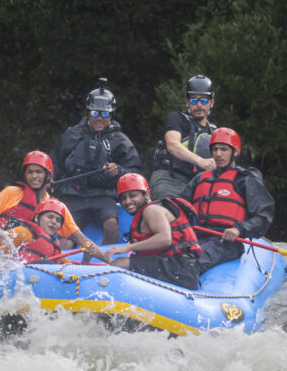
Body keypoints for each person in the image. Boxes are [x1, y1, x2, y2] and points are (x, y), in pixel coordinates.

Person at [53, 78, 141, 244]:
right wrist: (50, 180)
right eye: (95, 113)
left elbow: (135, 172)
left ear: (111, 114)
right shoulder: (72, 135)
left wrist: (120, 171)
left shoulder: (120, 140)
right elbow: (55, 162)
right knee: (65, 235)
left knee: (111, 225)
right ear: (88, 112)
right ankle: (64, 266)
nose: (99, 118)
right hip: (73, 195)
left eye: (105, 114)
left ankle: (108, 263)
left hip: (103, 196)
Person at [180, 127, 274, 275]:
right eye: (215, 149)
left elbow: (263, 216)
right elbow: (179, 207)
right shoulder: (199, 179)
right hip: (196, 237)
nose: (218, 154)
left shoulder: (245, 180)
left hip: (226, 242)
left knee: (189, 262)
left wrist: (238, 229)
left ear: (235, 152)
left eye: (224, 149)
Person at [0, 150, 106, 261]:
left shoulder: (56, 208)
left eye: (38, 172)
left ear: (48, 176)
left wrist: (108, 260)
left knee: (56, 251)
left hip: (31, 256)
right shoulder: (11, 192)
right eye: (30, 172)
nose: (34, 176)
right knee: (24, 232)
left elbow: (81, 239)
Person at [102, 173, 202, 290]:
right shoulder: (144, 213)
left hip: (180, 268)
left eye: (133, 195)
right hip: (175, 266)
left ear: (147, 194)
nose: (127, 201)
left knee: (119, 264)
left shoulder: (151, 210)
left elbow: (165, 239)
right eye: (123, 198)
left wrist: (126, 248)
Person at [150, 74, 219, 200]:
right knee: (167, 211)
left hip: (197, 183)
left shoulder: (214, 131)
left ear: (211, 102)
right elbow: (173, 145)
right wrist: (200, 161)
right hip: (169, 179)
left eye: (203, 100)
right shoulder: (176, 118)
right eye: (193, 100)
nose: (199, 105)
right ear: (187, 102)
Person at [15, 199, 75, 264]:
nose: (54, 222)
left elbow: (69, 270)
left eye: (58, 220)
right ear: (37, 217)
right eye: (50, 217)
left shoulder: (55, 246)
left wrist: (86, 258)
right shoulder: (22, 232)